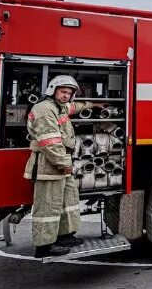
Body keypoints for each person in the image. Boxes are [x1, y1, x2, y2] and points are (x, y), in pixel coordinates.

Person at [24, 76, 106, 258]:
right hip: (50, 164)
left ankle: (64, 236)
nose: (66, 96)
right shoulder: (45, 109)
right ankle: (44, 246)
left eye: (69, 93)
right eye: (63, 92)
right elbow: (50, 143)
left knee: (67, 200)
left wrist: (93, 104)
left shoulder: (59, 107)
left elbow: (74, 107)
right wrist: (64, 164)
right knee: (48, 206)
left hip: (62, 162)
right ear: (53, 90)